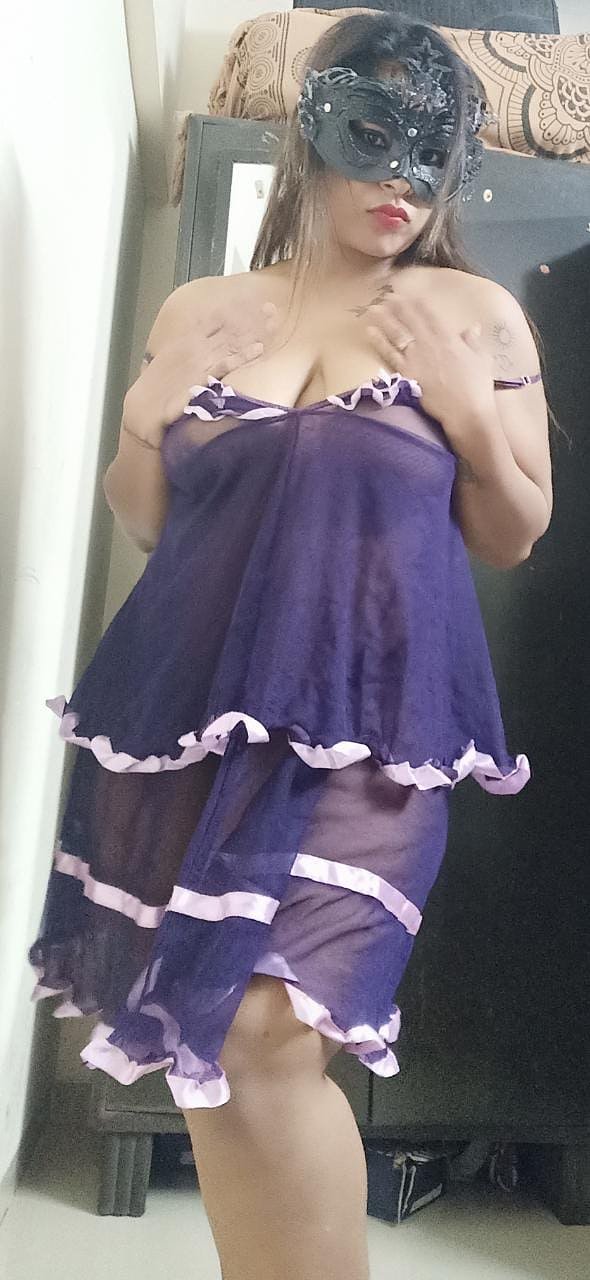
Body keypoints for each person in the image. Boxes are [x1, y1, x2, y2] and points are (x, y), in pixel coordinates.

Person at [28, 13, 553, 1280]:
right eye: (373, 137)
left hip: (374, 730)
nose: (402, 180)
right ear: (311, 134)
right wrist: (147, 419)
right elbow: (149, 519)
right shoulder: (205, 308)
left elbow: (514, 529)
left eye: (432, 153)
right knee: (204, 1048)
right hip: (183, 716)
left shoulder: (471, 313)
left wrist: (465, 417)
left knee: (268, 1035)